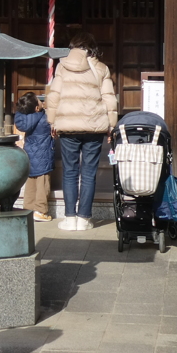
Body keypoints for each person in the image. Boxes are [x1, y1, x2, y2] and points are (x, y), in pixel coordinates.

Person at [45, 32, 118, 231]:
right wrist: (112, 125)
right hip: (94, 127)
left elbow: (54, 96)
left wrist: (52, 121)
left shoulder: (62, 66)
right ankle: (84, 218)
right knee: (88, 173)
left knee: (69, 172)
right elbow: (109, 99)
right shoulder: (101, 68)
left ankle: (69, 218)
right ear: (92, 48)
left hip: (68, 127)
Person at [14, 91, 54, 222]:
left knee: (31, 181)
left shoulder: (23, 118)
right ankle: (41, 211)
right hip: (43, 154)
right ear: (37, 108)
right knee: (43, 184)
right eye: (39, 101)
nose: (42, 102)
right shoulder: (43, 119)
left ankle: (28, 208)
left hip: (30, 153)